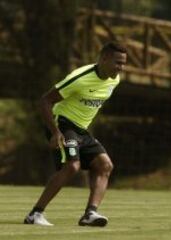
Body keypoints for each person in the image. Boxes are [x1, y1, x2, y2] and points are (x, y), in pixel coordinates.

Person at [24, 42, 127, 227]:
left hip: (81, 129)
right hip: (62, 123)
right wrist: (55, 132)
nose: (121, 68)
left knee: (105, 165)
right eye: (117, 62)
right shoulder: (80, 78)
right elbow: (45, 101)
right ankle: (35, 214)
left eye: (123, 64)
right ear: (103, 58)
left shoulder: (115, 80)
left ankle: (90, 214)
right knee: (72, 166)